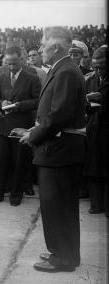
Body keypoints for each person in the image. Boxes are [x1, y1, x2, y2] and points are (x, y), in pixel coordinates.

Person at [20, 26, 86, 272]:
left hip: (60, 150)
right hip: (58, 149)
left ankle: (65, 258)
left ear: (55, 47)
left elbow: (59, 115)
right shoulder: (62, 69)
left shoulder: (66, 72)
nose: (39, 49)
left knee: (59, 205)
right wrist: (35, 132)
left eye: (42, 44)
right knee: (55, 204)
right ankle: (61, 251)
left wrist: (33, 136)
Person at [0, 46, 40, 206]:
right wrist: (2, 103)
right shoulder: (0, 76)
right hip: (4, 125)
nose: (11, 67)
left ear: (22, 59)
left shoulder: (32, 78)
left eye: (14, 63)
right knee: (0, 160)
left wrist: (19, 105)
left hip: (22, 126)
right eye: (8, 63)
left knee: (19, 161)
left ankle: (16, 194)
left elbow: (37, 101)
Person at [83, 46, 108, 216]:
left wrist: (103, 99)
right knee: (93, 167)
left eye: (102, 67)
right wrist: (86, 101)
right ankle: (96, 203)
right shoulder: (90, 79)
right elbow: (82, 105)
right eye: (95, 67)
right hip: (93, 129)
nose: (98, 70)